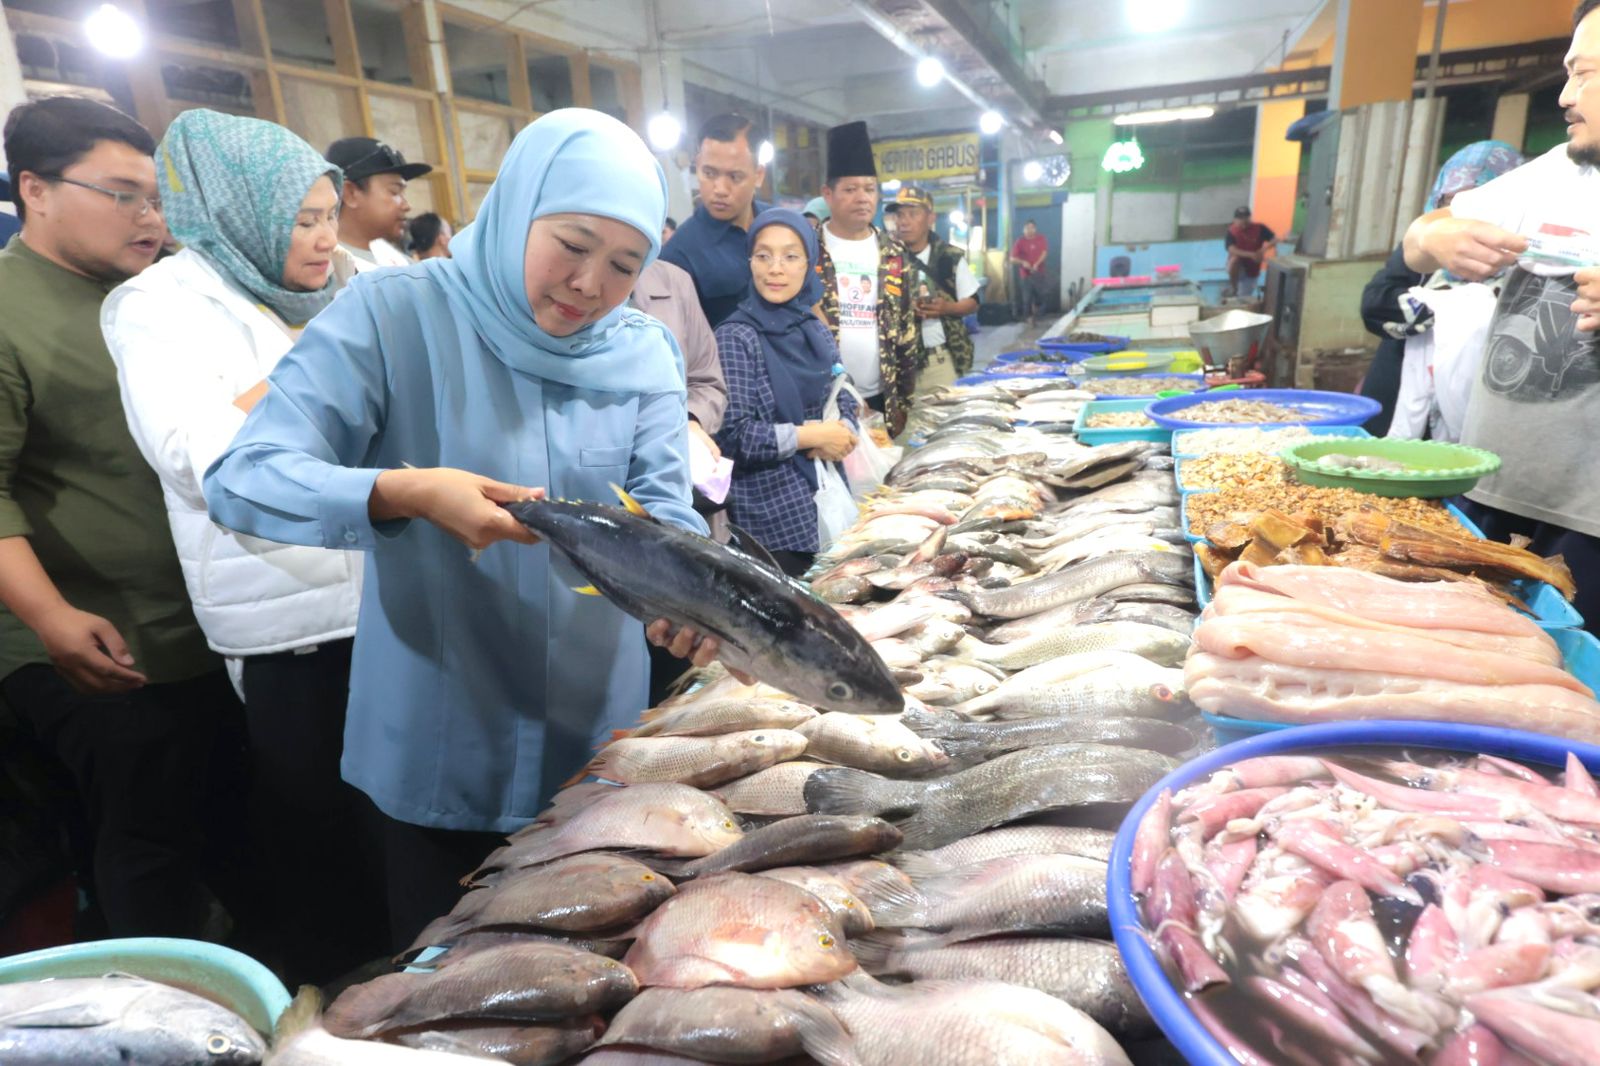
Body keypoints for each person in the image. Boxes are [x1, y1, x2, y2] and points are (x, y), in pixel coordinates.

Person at [203, 108, 732, 948]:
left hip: (595, 751)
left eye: (625, 264)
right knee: (453, 986)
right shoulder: (393, 316)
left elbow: (662, 512)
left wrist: (693, 604)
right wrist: (402, 492)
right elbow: (243, 477)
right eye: (572, 243)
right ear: (518, 207)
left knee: (585, 984)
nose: (590, 284)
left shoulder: (641, 353)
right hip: (438, 741)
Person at [99, 109, 378, 983]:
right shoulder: (156, 307)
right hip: (286, 619)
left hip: (388, 596)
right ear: (236, 212)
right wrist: (316, 363)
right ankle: (332, 1009)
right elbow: (195, 455)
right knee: (321, 838)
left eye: (329, 215)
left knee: (397, 828)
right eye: (301, 221)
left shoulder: (342, 289)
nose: (324, 239)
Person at [0, 96, 233, 940]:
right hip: (93, 643)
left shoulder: (165, 296)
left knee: (236, 839)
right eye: (123, 194)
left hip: (200, 626)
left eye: (157, 198)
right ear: (36, 188)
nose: (149, 217)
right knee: (148, 853)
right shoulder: (10, 310)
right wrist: (51, 618)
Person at [1403, 0, 1600, 634]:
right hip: (1488, 493)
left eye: (1587, 73)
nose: (1565, 95)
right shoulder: (1554, 174)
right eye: (1567, 72)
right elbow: (1420, 233)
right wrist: (1438, 238)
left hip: (1590, 525)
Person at [716, 208, 858, 577]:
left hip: (826, 503)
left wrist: (845, 431)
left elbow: (843, 392)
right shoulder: (735, 337)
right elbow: (733, 437)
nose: (775, 268)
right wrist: (809, 436)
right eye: (763, 255)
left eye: (790, 256)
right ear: (750, 263)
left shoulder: (815, 329)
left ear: (808, 265)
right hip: (771, 524)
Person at [1359, 141, 1524, 436]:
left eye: (1475, 204)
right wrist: (1446, 309)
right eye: (1447, 203)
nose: (1457, 216)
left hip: (1477, 420)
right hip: (1396, 410)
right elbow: (1374, 305)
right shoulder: (1424, 250)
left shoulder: (1526, 263)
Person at [816, 120, 918, 438]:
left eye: (869, 188)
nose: (862, 197)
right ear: (828, 195)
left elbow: (906, 331)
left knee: (881, 484)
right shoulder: (805, 250)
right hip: (821, 400)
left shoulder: (894, 254)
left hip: (881, 396)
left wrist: (904, 401)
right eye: (850, 189)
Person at [660, 113, 771, 328]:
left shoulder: (782, 228)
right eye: (709, 173)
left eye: (735, 177)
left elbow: (810, 305)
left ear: (758, 175)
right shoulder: (679, 254)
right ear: (697, 165)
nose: (720, 189)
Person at [888, 185, 980, 391]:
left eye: (913, 214)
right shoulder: (886, 259)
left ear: (931, 218)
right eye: (900, 214)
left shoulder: (949, 257)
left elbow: (973, 301)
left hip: (940, 362)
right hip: (898, 367)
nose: (904, 221)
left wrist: (946, 308)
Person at [324, 136, 432, 271]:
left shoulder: (399, 262)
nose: (406, 206)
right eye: (394, 192)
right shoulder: (328, 272)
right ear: (350, 193)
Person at [1223, 207, 1276, 300]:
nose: (1243, 223)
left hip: (1252, 269)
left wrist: (1263, 249)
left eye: (1246, 219)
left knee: (1243, 298)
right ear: (1235, 220)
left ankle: (1239, 295)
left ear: (1249, 218)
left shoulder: (1260, 228)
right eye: (1240, 219)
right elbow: (1231, 249)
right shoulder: (1231, 231)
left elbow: (1274, 239)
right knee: (1235, 259)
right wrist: (1251, 255)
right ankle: (1234, 288)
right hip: (1237, 267)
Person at [1009, 219, 1050, 326]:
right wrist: (1023, 262)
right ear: (1023, 229)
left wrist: (1037, 264)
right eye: (1027, 228)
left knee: (1040, 296)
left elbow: (1044, 253)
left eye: (1032, 227)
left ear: (1035, 229)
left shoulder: (1041, 239)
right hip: (1025, 275)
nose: (1029, 230)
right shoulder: (1020, 241)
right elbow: (1012, 258)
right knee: (1027, 298)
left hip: (1039, 273)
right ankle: (1029, 318)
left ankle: (1037, 315)